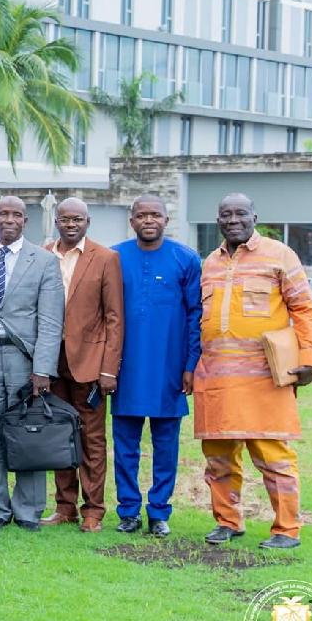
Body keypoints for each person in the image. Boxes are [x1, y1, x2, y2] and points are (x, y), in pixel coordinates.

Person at [195, 193, 312, 550]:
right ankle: (227, 522)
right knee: (218, 459)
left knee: (274, 457)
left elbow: (305, 310)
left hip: (265, 379)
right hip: (216, 378)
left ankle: (286, 529)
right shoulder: (210, 263)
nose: (232, 219)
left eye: (240, 213)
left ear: (255, 216)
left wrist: (310, 359)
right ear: (217, 220)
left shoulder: (280, 255)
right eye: (225, 214)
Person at [0, 196, 64, 531]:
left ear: (25, 221)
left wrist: (43, 369)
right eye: (3, 214)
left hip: (25, 360)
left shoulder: (44, 261)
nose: (9, 219)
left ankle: (28, 510)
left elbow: (51, 321)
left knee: (28, 433)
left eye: (16, 215)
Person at [112, 195, 201, 537]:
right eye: (141, 215)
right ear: (131, 220)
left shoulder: (186, 259)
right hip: (126, 369)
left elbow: (197, 315)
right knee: (125, 447)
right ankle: (129, 511)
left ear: (167, 219)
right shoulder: (115, 257)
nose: (148, 220)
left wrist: (191, 364)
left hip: (169, 368)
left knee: (166, 447)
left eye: (156, 215)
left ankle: (159, 512)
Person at [42, 198, 123, 533]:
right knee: (59, 435)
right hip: (51, 360)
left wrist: (108, 370)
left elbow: (114, 318)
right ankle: (65, 507)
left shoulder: (105, 258)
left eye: (77, 219)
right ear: (56, 222)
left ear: (88, 222)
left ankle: (93, 510)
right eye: (64, 219)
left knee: (91, 439)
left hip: (89, 363)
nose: (70, 224)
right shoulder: (44, 252)